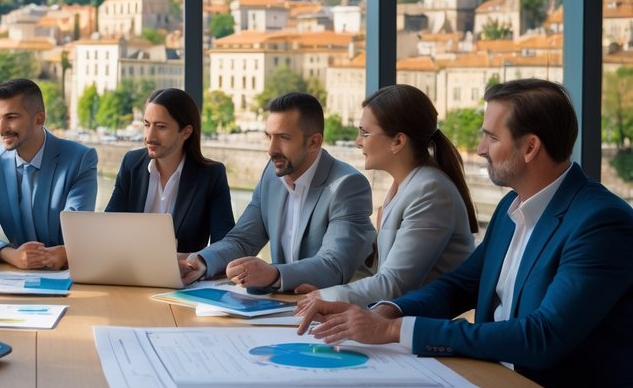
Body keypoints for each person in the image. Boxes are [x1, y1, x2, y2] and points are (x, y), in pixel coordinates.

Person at [297, 79, 633, 388]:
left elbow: (542, 336)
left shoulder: (600, 223)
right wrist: (388, 310)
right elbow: (460, 286)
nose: (481, 149)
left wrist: (394, 330)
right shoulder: (511, 206)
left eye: (490, 136)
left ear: (530, 147)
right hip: (493, 381)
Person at [293, 84, 477, 306]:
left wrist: (326, 296)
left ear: (398, 141)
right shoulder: (409, 185)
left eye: (365, 132)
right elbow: (382, 275)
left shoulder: (430, 191)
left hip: (420, 329)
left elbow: (393, 284)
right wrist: (329, 293)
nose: (357, 141)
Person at [178, 91, 374, 291]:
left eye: (283, 138)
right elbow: (242, 240)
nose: (271, 150)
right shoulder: (272, 175)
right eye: (269, 136)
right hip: (283, 305)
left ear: (314, 142)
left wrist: (273, 274)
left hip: (335, 312)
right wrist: (199, 263)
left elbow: (333, 265)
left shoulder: (347, 186)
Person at [0, 78, 97, 270]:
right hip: (14, 275)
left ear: (39, 119)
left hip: (69, 274)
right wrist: (11, 255)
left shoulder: (80, 160)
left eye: (11, 117)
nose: (1, 128)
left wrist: (61, 254)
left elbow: (77, 231)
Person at [105, 87, 234, 252]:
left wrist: (189, 261)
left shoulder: (211, 175)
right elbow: (108, 226)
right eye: (146, 124)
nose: (149, 137)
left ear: (186, 132)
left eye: (160, 127)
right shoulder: (132, 164)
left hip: (181, 275)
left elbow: (225, 244)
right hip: (128, 272)